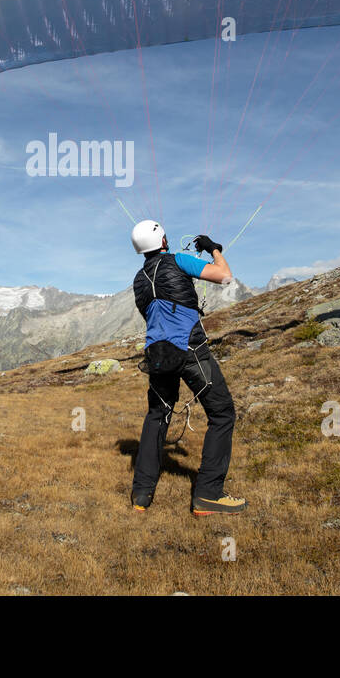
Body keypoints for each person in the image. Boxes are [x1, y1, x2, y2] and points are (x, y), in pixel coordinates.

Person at [129, 220, 246, 515]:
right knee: (222, 414)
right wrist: (213, 249)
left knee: (157, 417)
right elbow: (225, 277)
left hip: (157, 356)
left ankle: (141, 497)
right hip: (191, 351)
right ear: (163, 240)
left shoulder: (139, 279)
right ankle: (208, 494)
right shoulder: (179, 261)